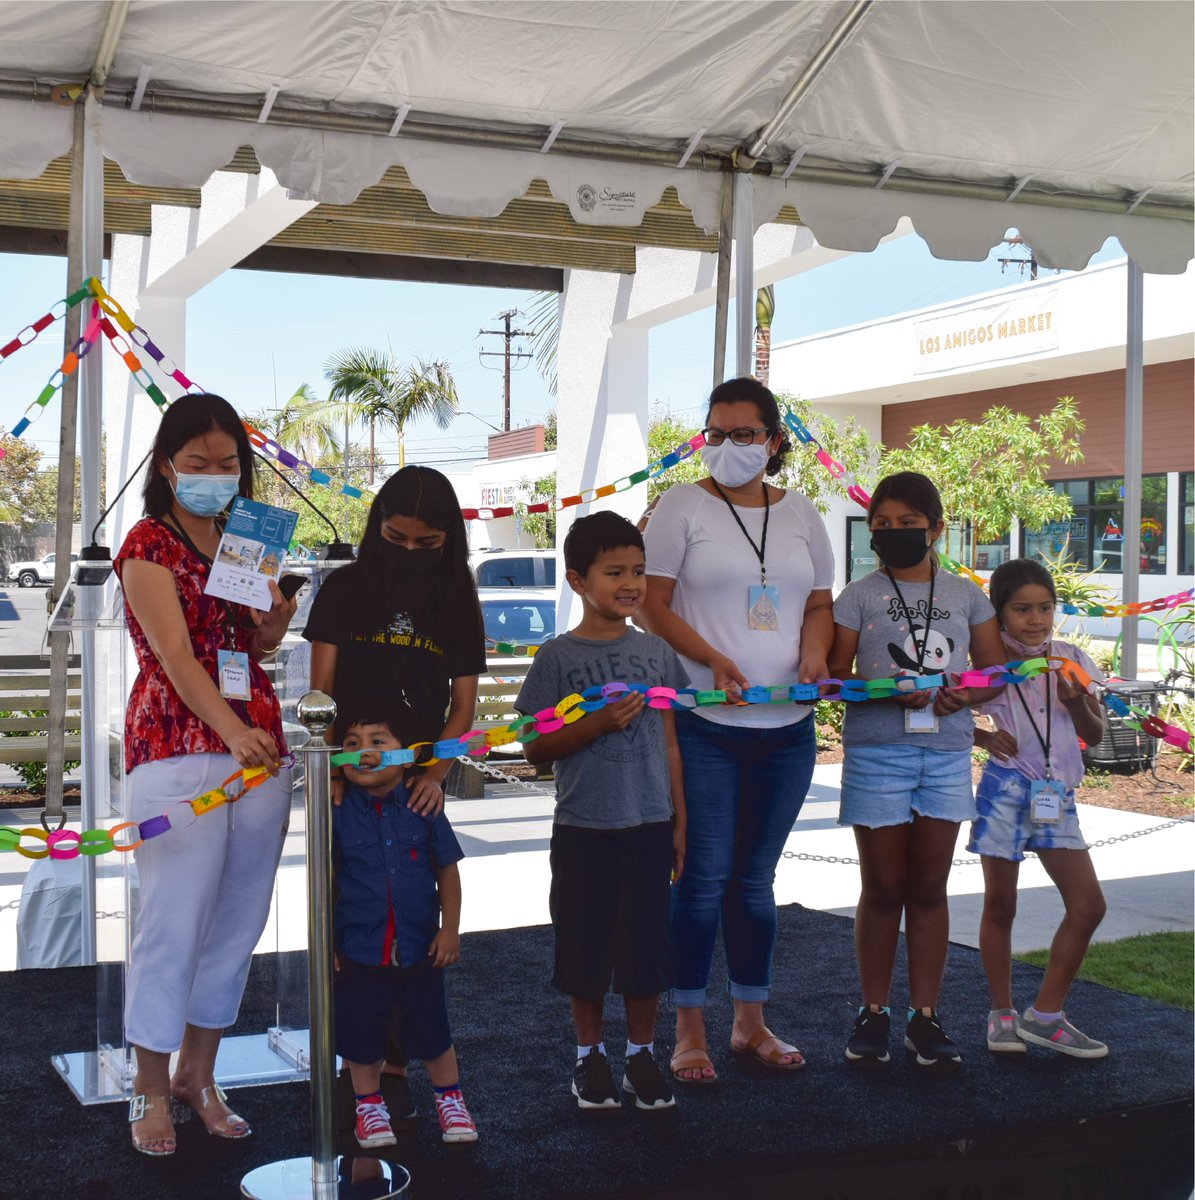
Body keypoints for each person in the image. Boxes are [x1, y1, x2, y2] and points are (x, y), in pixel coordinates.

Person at [639, 377, 835, 1084]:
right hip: (704, 725)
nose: (728, 446)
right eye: (715, 434)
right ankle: (687, 1030)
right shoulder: (680, 505)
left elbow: (820, 603)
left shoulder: (803, 512)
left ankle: (750, 1023)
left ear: (774, 441)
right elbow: (650, 605)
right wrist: (713, 660)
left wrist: (815, 655)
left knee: (754, 882)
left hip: (787, 729)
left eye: (743, 434)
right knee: (700, 880)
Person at [115, 393, 296, 1155]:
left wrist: (273, 626)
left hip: (259, 741)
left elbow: (247, 643)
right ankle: (149, 1086)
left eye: (227, 464)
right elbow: (175, 655)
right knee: (173, 921)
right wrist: (229, 729)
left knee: (237, 922)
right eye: (198, 462)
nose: (214, 475)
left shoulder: (247, 534)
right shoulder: (146, 543)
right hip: (177, 742)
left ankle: (199, 1074)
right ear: (167, 465)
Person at [304, 464, 485, 1113]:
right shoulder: (345, 588)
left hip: (414, 779)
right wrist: (330, 768)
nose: (409, 551)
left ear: (448, 539)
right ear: (376, 528)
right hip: (348, 776)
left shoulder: (457, 596)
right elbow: (320, 694)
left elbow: (463, 707)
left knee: (411, 908)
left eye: (426, 543)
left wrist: (434, 775)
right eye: (396, 538)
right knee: (351, 912)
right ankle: (357, 1062)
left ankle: (405, 1059)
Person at [829, 471, 1004, 1073]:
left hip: (947, 754)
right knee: (882, 887)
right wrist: (884, 689)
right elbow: (835, 677)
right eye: (882, 524)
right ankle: (873, 1013)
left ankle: (924, 1018)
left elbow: (994, 672)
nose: (894, 532)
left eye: (908, 523)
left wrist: (964, 697)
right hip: (877, 752)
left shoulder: (968, 595)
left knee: (929, 887)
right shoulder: (857, 595)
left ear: (936, 528)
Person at [516, 511, 688, 1110]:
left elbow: (671, 741)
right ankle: (589, 1058)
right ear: (578, 580)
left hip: (650, 825)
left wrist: (680, 819)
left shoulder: (657, 652)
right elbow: (533, 747)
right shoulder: (556, 657)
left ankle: (642, 1056)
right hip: (584, 827)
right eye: (614, 572)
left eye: (638, 571)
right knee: (584, 947)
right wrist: (593, 725)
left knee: (647, 948)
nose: (630, 583)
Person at [969, 558, 1109, 1058]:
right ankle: (1002, 1015)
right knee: (1000, 906)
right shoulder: (989, 662)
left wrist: (1075, 703)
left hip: (1057, 797)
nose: (1036, 619)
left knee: (1088, 905)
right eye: (1022, 609)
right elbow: (947, 713)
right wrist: (985, 736)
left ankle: (1046, 1015)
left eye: (1045, 608)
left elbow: (1095, 734)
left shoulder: (1071, 659)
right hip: (1006, 791)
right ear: (1000, 613)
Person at [332, 703, 479, 1145]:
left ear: (407, 753)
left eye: (378, 742)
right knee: (361, 1031)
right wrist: (327, 942)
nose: (364, 752)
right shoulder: (336, 811)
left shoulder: (424, 805)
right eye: (352, 743)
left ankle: (450, 1099)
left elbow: (447, 871)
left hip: (420, 946)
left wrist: (450, 929)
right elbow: (326, 881)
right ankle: (368, 1106)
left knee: (433, 1027)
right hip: (360, 947)